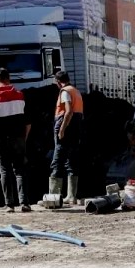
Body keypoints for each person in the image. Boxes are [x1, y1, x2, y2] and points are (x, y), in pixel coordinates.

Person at [0, 68, 32, 212]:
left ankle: (9, 205)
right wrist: (24, 138)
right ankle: (24, 203)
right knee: (20, 170)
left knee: (4, 171)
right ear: (8, 79)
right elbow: (28, 123)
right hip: (18, 138)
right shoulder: (20, 95)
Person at [50, 69, 83, 205]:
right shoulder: (76, 91)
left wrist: (62, 129)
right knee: (71, 161)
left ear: (58, 82)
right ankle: (71, 196)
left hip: (66, 129)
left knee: (57, 161)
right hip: (76, 129)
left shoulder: (65, 92)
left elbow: (68, 111)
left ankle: (53, 198)